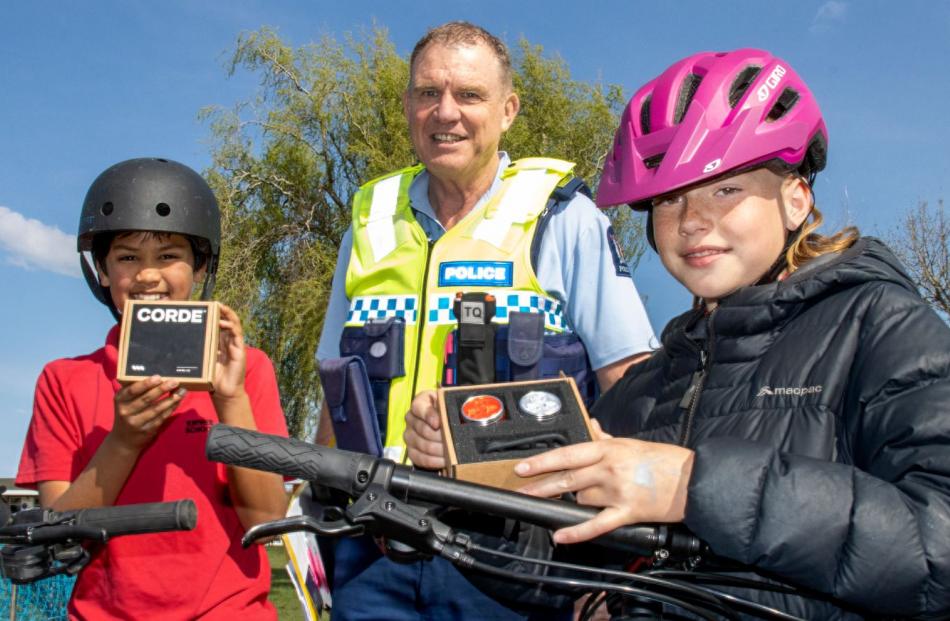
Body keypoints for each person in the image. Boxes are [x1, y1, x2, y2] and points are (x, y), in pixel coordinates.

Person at [511, 48, 950, 618]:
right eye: (669, 199)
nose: (690, 219)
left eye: (725, 189)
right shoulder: (647, 384)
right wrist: (464, 485)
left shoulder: (879, 326)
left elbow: (936, 550)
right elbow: (550, 567)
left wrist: (696, 486)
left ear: (796, 200)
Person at [316, 21, 655, 621]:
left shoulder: (563, 216)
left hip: (515, 556)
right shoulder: (367, 222)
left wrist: (624, 561)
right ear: (407, 105)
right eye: (428, 93)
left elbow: (633, 387)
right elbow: (334, 392)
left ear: (508, 111)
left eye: (469, 95)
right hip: (371, 550)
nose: (445, 112)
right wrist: (317, 511)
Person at [16, 158, 289, 620]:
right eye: (126, 257)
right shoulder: (63, 380)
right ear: (101, 271)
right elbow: (59, 537)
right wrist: (124, 440)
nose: (147, 276)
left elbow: (266, 522)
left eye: (168, 256)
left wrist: (231, 398)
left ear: (200, 268)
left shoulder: (249, 369)